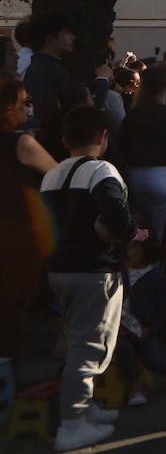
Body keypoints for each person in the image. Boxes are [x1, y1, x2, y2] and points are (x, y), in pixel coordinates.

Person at [41, 105, 147, 452]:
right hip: (93, 271)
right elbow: (116, 213)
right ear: (103, 137)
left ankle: (85, 410)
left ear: (65, 139)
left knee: (78, 341)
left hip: (59, 271)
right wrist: (129, 233)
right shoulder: (102, 171)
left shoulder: (52, 175)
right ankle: (73, 423)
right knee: (88, 348)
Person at [0, 73, 55, 408]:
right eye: (25, 101)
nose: (28, 107)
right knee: (11, 308)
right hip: (16, 238)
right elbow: (59, 173)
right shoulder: (21, 144)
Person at [113, 234, 166, 407]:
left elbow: (163, 309)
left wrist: (151, 328)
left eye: (133, 247)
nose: (128, 252)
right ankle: (135, 385)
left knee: (153, 358)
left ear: (146, 250)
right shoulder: (118, 271)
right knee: (123, 350)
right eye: (127, 247)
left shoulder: (155, 278)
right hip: (118, 328)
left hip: (144, 329)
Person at [120, 64, 166, 239]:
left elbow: (123, 147)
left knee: (139, 228)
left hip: (135, 175)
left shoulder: (133, 115)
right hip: (164, 175)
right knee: (162, 231)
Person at [25, 14, 111, 108]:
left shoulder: (41, 65)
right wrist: (102, 79)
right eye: (66, 32)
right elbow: (80, 111)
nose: (73, 37)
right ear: (50, 38)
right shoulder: (52, 71)